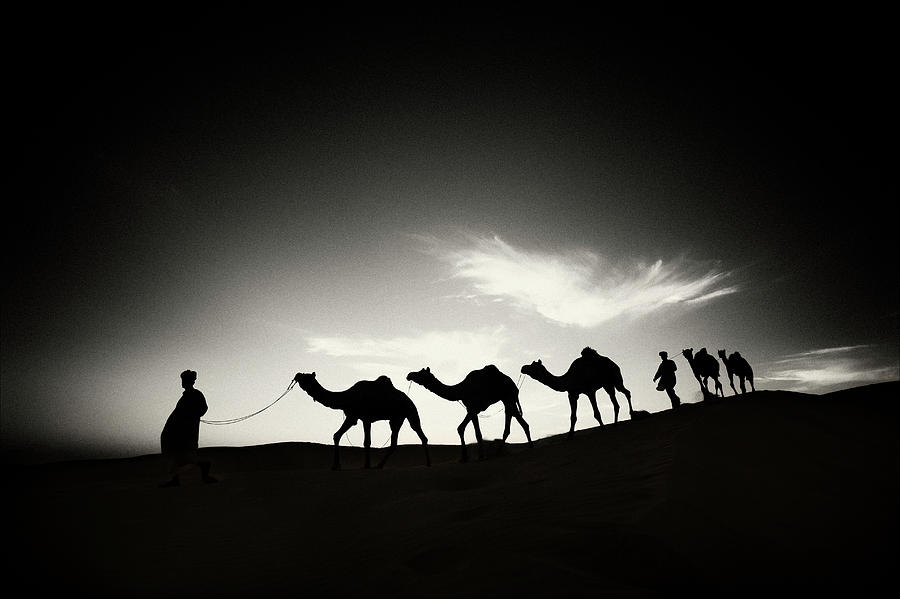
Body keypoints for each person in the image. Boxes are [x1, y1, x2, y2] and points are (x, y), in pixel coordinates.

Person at [159, 369, 217, 487]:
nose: (182, 382)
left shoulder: (196, 394)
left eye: (184, 380)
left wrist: (191, 416)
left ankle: (203, 470)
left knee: (184, 455)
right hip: (177, 431)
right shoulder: (186, 396)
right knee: (176, 456)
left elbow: (203, 408)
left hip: (185, 432)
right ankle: (176, 480)